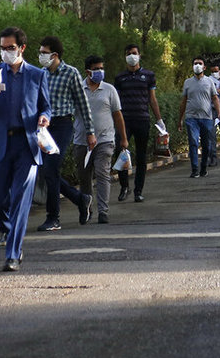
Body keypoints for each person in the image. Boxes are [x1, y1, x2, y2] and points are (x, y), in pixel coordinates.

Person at [0, 26, 52, 270]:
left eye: (10, 48)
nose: (6, 52)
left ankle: (13, 254)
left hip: (26, 144)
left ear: (22, 48)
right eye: (2, 48)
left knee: (20, 200)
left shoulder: (37, 75)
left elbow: (46, 107)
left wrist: (44, 118)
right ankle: (8, 231)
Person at [36, 35, 94, 231]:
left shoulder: (71, 73)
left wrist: (90, 132)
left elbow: (83, 105)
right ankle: (81, 199)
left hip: (62, 125)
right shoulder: (40, 74)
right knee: (45, 171)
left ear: (55, 55)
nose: (41, 56)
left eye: (44, 52)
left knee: (51, 168)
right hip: (43, 127)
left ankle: (54, 218)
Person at [75, 55, 126, 223]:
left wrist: (123, 138)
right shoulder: (77, 89)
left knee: (102, 173)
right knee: (84, 177)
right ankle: (87, 208)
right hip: (81, 141)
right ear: (87, 71)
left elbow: (117, 115)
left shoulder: (110, 90)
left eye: (101, 68)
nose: (100, 72)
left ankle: (103, 211)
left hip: (105, 140)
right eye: (96, 69)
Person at [113, 43, 166, 202]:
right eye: (129, 53)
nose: (132, 56)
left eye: (134, 53)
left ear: (139, 55)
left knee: (141, 157)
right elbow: (116, 102)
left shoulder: (148, 75)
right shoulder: (120, 78)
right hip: (125, 120)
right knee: (120, 152)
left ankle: (138, 191)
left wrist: (159, 119)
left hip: (142, 119)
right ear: (125, 57)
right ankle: (124, 187)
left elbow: (152, 99)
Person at [178, 56, 220, 178]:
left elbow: (214, 98)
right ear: (192, 66)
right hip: (191, 118)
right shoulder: (187, 82)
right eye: (195, 63)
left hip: (206, 118)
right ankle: (194, 169)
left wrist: (218, 113)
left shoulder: (209, 82)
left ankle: (203, 168)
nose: (197, 65)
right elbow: (184, 101)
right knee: (193, 142)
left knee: (206, 145)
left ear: (204, 67)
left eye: (199, 63)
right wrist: (180, 118)